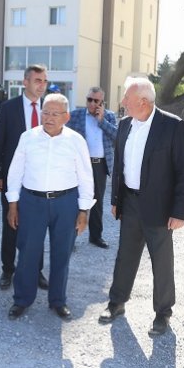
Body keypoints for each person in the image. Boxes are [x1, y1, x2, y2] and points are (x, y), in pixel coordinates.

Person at [98, 78, 184, 337]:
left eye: (126, 98)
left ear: (142, 101)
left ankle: (163, 312)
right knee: (125, 255)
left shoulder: (172, 126)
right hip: (129, 202)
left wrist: (179, 212)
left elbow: (183, 172)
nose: (122, 102)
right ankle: (116, 302)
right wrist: (116, 200)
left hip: (160, 207)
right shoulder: (124, 125)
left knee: (161, 261)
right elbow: (119, 166)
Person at [5, 94, 95, 320]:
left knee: (62, 253)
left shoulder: (76, 141)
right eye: (45, 112)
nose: (49, 118)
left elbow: (86, 177)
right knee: (28, 252)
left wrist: (83, 211)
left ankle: (58, 300)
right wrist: (13, 205)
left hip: (66, 203)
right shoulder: (28, 138)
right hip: (31, 202)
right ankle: (22, 299)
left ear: (66, 117)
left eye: (55, 114)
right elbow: (15, 172)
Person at [0, 64, 49, 291]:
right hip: (13, 178)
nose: (41, 85)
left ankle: (36, 270)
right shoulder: (9, 108)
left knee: (37, 226)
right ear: (25, 82)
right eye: (37, 80)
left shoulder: (49, 108)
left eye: (44, 81)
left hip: (41, 179)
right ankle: (8, 269)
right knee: (10, 224)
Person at [67, 86, 118, 248]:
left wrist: (101, 121)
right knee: (76, 200)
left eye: (96, 101)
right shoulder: (76, 115)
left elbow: (117, 137)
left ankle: (96, 237)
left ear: (102, 102)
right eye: (89, 99)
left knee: (97, 202)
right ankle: (70, 239)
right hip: (80, 164)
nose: (92, 103)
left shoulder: (109, 116)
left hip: (99, 165)